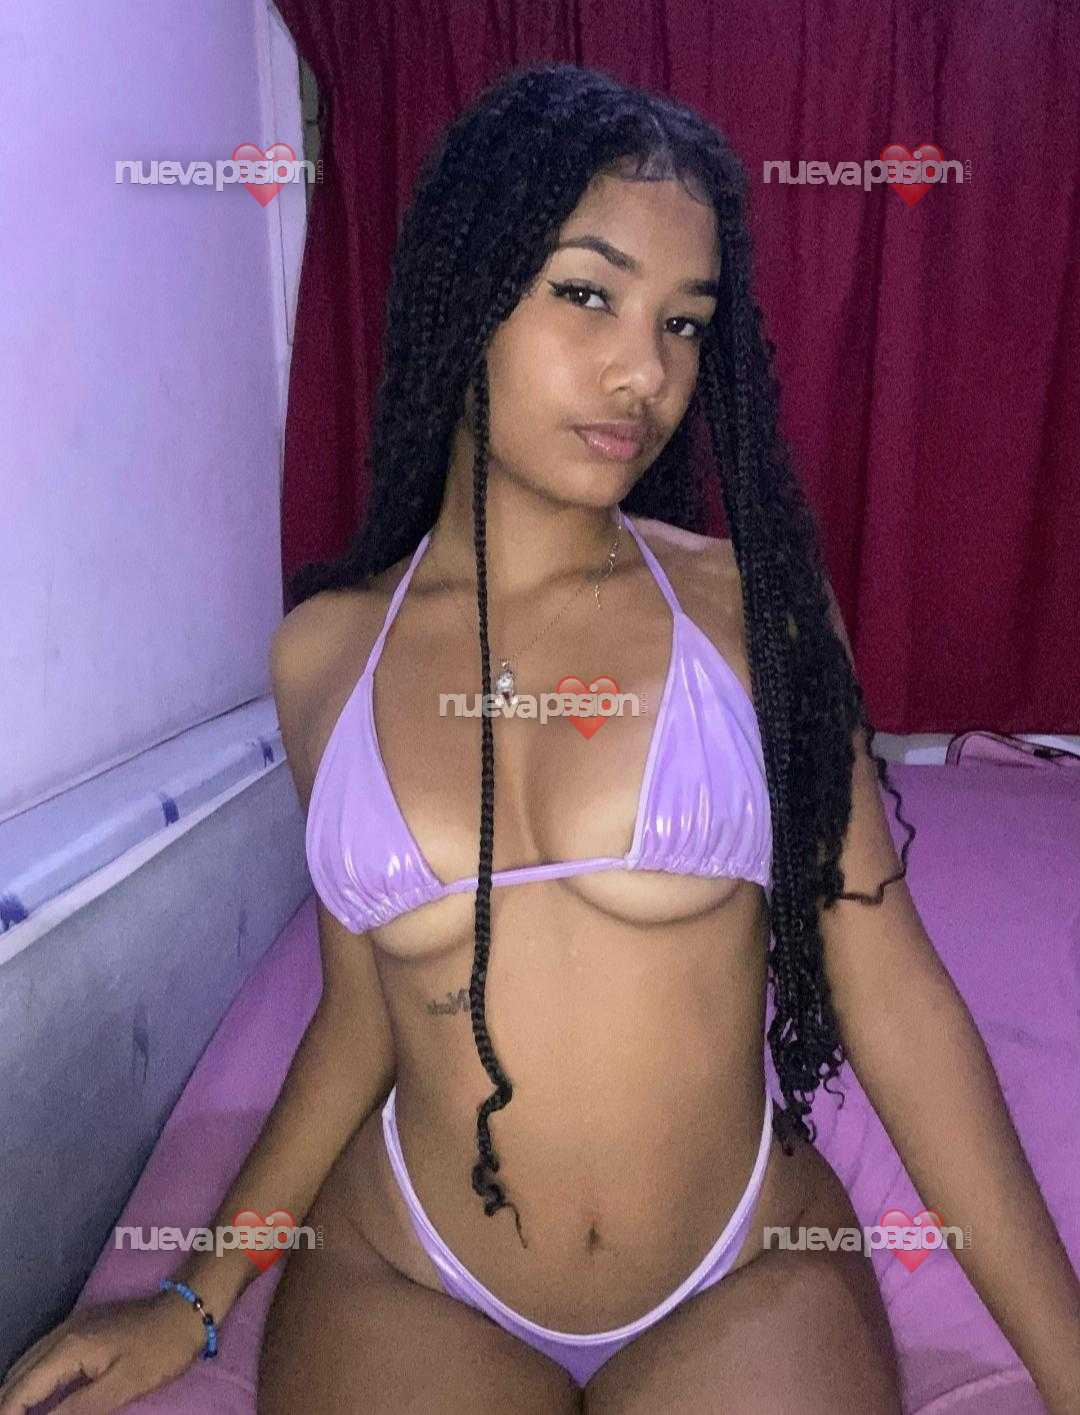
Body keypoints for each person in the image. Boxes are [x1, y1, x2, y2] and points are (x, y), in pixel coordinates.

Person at [5, 59, 1079, 1415]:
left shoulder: (750, 613)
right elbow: (361, 1015)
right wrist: (195, 1295)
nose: (645, 371)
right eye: (588, 294)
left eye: (684, 323)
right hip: (411, 1267)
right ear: (470, 293)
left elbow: (894, 998)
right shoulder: (325, 655)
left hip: (737, 1268)